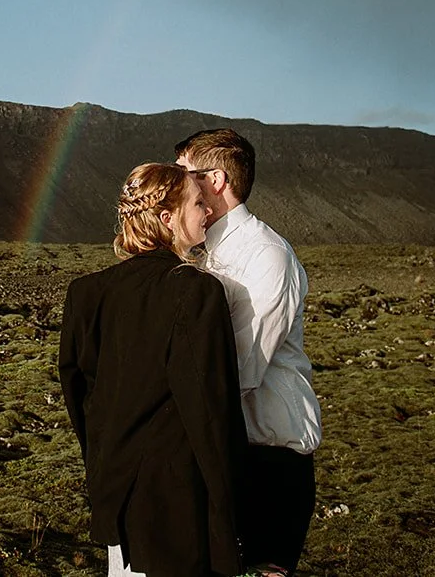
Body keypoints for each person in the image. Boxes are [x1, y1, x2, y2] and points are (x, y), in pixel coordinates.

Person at [59, 162, 249, 577]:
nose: (208, 213)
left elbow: (80, 396)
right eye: (198, 204)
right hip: (177, 510)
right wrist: (230, 522)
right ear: (168, 218)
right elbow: (211, 417)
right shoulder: (195, 293)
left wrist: (102, 465)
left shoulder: (87, 295)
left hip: (116, 501)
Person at [175, 129, 320, 575]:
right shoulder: (203, 253)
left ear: (215, 180)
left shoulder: (266, 257)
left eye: (183, 174)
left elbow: (239, 367)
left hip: (268, 461)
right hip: (229, 451)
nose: (174, 184)